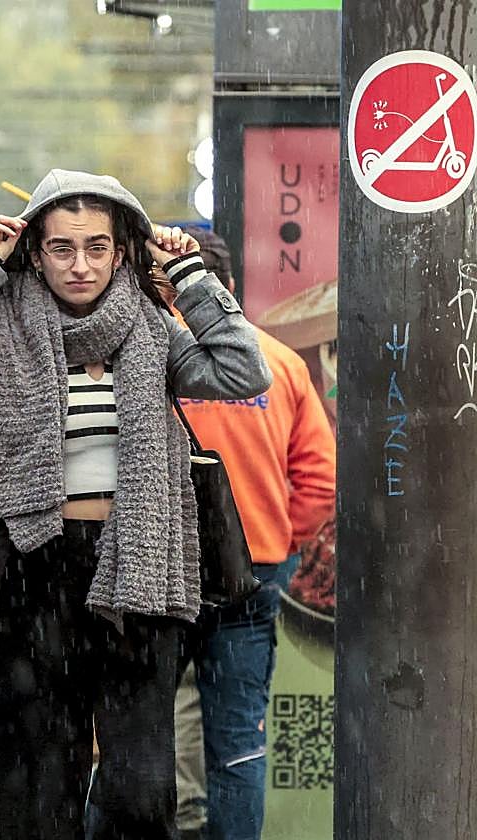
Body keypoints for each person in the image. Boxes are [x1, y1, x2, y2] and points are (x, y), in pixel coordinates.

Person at [0, 169, 272, 839]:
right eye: (62, 248)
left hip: (139, 565)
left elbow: (242, 371)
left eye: (97, 247)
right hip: (35, 567)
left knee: (141, 787)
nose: (81, 265)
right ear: (36, 253)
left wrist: (189, 275)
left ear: (122, 250)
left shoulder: (152, 328)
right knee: (40, 780)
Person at [172, 228, 336, 840]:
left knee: (142, 727)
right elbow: (319, 479)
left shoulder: (154, 364)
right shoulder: (283, 363)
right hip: (256, 571)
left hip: (165, 570)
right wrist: (276, 543)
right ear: (231, 289)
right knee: (239, 740)